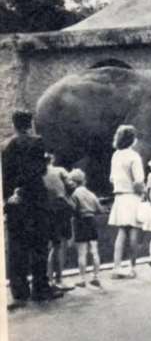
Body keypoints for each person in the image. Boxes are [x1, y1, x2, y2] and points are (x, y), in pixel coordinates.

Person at [2, 110, 63, 310]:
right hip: (35, 199)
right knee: (39, 245)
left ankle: (19, 291)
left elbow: (6, 176)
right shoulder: (37, 142)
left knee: (17, 247)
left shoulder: (5, 146)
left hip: (14, 202)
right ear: (30, 124)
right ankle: (40, 288)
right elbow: (40, 170)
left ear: (14, 124)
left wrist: (10, 195)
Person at [107, 124, 145, 279]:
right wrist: (142, 193)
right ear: (132, 139)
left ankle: (116, 267)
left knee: (121, 233)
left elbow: (111, 178)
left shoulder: (116, 155)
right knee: (134, 232)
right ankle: (131, 267)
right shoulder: (134, 156)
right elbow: (138, 181)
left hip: (119, 197)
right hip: (132, 196)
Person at [43, 153, 75, 291]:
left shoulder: (37, 174)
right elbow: (71, 184)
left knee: (51, 246)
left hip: (45, 210)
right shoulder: (59, 170)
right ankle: (59, 279)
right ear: (52, 160)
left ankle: (49, 279)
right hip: (60, 207)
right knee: (60, 245)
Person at [68, 168, 105, 287]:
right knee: (94, 251)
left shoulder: (74, 194)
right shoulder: (91, 194)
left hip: (80, 222)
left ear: (73, 181)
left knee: (82, 253)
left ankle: (82, 279)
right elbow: (100, 209)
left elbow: (73, 209)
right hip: (91, 221)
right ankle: (96, 276)